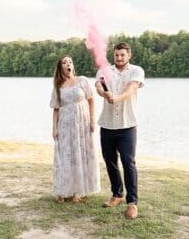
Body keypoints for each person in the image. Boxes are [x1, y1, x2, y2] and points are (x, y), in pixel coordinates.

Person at [95, 42, 145, 219]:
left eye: (122, 55)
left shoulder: (137, 71)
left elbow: (131, 88)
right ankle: (117, 194)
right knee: (110, 161)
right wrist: (104, 93)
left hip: (127, 126)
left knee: (128, 162)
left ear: (129, 55)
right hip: (107, 125)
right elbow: (99, 86)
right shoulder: (104, 70)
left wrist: (117, 98)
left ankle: (132, 203)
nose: (119, 58)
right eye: (116, 55)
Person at [49, 56, 100, 203]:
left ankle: (78, 190)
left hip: (82, 123)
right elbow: (56, 109)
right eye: (64, 63)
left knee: (80, 155)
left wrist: (92, 120)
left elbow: (91, 101)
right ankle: (62, 190)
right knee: (65, 156)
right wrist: (54, 128)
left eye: (70, 62)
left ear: (73, 65)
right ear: (61, 68)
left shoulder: (82, 81)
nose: (68, 64)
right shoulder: (58, 87)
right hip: (65, 125)